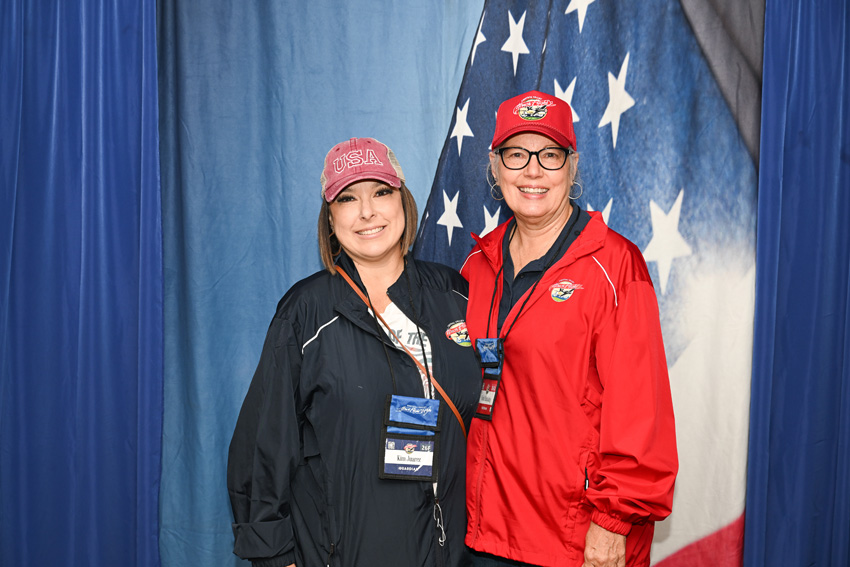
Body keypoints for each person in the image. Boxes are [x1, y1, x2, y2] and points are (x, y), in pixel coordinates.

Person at [227, 137, 481, 567]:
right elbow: (262, 449)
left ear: (403, 200)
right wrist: (274, 557)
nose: (367, 211)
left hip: (452, 552)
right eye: (348, 198)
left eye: (381, 191)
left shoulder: (455, 294)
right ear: (330, 217)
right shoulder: (305, 313)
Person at [460, 91, 678, 567]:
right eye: (516, 155)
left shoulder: (616, 266)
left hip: (574, 542)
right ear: (495, 168)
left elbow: (642, 414)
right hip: (482, 535)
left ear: (572, 167)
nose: (532, 171)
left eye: (549, 154)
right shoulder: (477, 265)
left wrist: (613, 522)